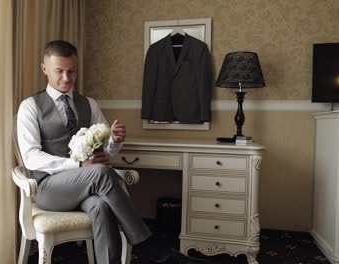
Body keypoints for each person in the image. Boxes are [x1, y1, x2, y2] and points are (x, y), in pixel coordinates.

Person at [17, 40, 209, 264]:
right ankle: (148, 247)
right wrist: (80, 166)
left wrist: (115, 141)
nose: (66, 78)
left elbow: (108, 150)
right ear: (44, 69)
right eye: (59, 71)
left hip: (87, 187)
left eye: (72, 71)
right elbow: (31, 157)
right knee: (99, 172)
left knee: (101, 206)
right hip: (49, 189)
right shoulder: (30, 106)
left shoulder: (89, 104)